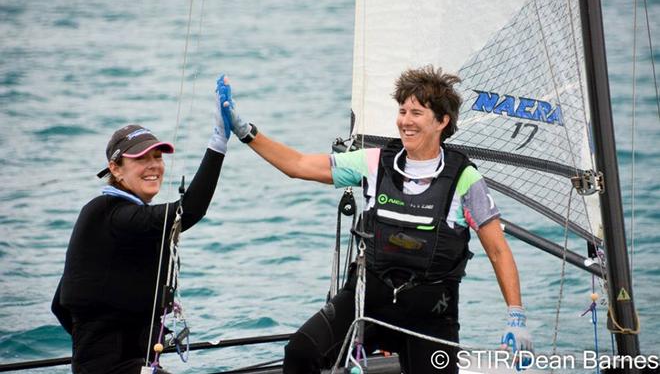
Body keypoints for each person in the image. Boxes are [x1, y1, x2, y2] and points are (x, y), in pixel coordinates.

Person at [222, 66, 533, 374]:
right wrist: (247, 133)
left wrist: (515, 315)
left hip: (430, 315)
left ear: (442, 121)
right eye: (402, 111)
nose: (405, 122)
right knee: (301, 352)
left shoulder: (466, 180)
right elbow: (299, 164)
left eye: (417, 113)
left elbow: (498, 251)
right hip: (367, 302)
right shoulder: (373, 162)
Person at [51, 79, 232, 374]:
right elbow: (188, 212)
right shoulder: (115, 215)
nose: (154, 166)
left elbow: (59, 304)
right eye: (140, 158)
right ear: (115, 168)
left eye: (157, 157)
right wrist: (218, 144)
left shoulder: (106, 214)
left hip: (133, 364)